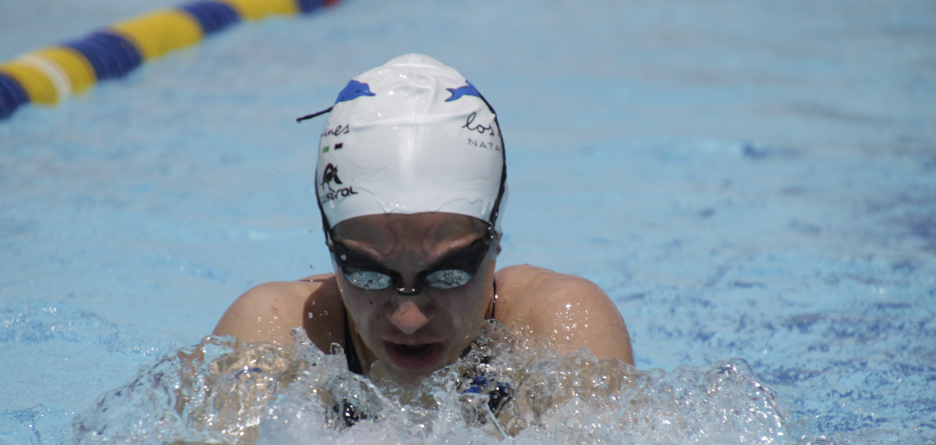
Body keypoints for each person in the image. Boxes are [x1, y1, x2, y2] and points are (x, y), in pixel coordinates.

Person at [213, 53, 633, 389]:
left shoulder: (555, 325)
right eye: (368, 274)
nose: (408, 318)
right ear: (332, 248)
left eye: (448, 274)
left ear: (496, 240)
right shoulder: (276, 331)